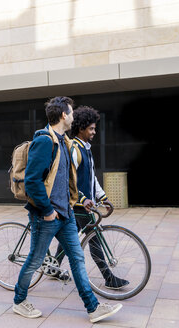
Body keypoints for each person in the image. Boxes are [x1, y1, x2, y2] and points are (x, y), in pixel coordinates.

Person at [12, 96, 122, 323]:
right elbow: (32, 181)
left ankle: (93, 308)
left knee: (77, 259)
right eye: (71, 112)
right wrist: (47, 210)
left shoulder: (63, 141)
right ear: (64, 115)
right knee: (35, 259)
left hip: (67, 214)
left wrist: (74, 203)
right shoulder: (45, 141)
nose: (73, 116)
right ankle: (19, 301)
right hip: (47, 215)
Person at [53, 105, 130, 289]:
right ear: (81, 128)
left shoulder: (86, 149)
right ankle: (108, 277)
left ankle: (54, 266)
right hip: (77, 205)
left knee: (68, 237)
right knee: (93, 238)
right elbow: (67, 178)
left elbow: (92, 177)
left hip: (83, 204)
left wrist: (102, 197)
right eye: (91, 128)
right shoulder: (74, 149)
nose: (95, 132)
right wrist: (81, 198)